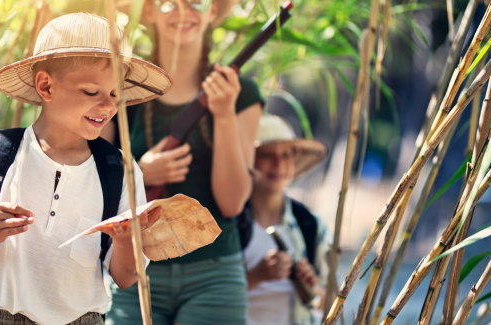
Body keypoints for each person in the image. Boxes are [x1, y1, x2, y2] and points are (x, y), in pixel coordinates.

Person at [0, 13, 172, 325]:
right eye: (92, 92)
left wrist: (126, 239)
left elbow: (127, 278)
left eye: (116, 94)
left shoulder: (120, 171)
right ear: (46, 86)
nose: (108, 106)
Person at [104, 0, 263, 324]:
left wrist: (223, 114)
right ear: (148, 11)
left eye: (196, 2)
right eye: (168, 3)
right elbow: (94, 182)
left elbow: (232, 203)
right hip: (132, 269)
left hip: (216, 276)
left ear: (214, 11)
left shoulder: (242, 93)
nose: (183, 12)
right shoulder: (119, 89)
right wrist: (140, 173)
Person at [242, 114, 330, 325]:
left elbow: (331, 304)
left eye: (286, 155)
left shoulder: (311, 225)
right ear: (248, 160)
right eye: (266, 155)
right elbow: (209, 299)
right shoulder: (228, 224)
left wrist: (309, 285)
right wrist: (257, 275)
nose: (278, 163)